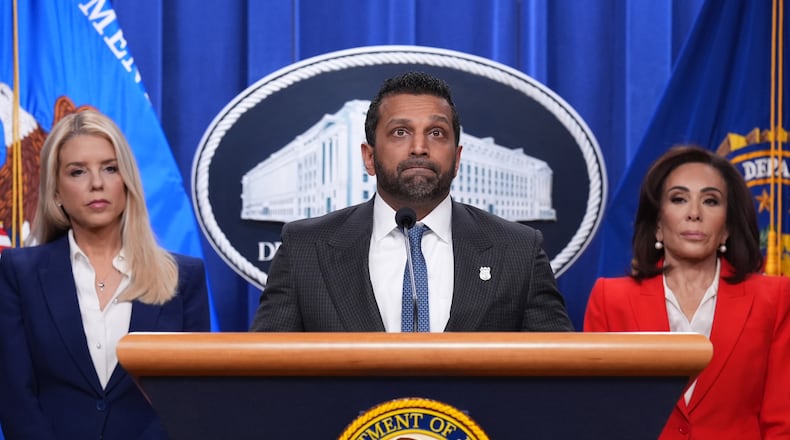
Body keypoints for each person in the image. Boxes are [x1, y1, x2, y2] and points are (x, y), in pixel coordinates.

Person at [250, 71, 573, 332]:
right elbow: (267, 372)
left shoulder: (518, 250)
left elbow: (556, 372)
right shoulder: (305, 249)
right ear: (369, 157)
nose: (419, 147)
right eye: (400, 132)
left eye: (437, 133)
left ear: (457, 159)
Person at [0, 110, 211, 439]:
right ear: (56, 192)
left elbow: (191, 397)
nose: (96, 183)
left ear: (126, 181)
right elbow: (15, 396)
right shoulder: (19, 273)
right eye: (78, 171)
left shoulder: (183, 277)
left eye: (110, 168)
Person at [584, 145, 790, 438]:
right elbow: (598, 417)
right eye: (679, 199)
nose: (694, 213)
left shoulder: (774, 298)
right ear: (657, 222)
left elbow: (782, 421)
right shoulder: (610, 299)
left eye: (710, 201)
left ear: (727, 226)